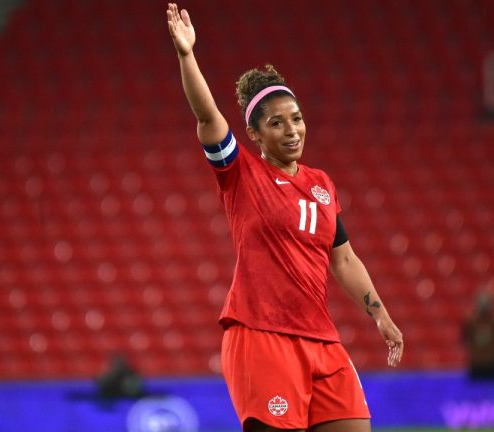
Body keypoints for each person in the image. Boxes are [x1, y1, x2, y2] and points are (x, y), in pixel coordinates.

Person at [166, 4, 404, 432]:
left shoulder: (322, 184)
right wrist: (187, 56)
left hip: (322, 340)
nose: (292, 130)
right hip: (262, 336)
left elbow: (344, 260)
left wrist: (380, 314)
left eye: (296, 118)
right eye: (277, 123)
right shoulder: (240, 174)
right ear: (255, 134)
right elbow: (207, 116)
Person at [462, 292, 494, 380]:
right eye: (482, 302)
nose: (484, 305)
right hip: (477, 365)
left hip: (493, 364)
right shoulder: (471, 321)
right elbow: (465, 339)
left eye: (486, 303)